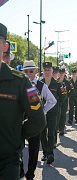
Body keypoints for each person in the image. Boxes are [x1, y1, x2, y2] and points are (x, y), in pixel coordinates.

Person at [0, 23, 46, 179]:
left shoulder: (20, 82)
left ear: (5, 46)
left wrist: (17, 136)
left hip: (6, 162)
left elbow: (38, 120)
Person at [20, 60, 57, 180]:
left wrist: (42, 112)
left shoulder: (41, 86)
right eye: (26, 71)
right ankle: (20, 169)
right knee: (18, 147)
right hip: (20, 121)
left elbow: (52, 101)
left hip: (35, 122)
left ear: (35, 72)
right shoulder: (19, 85)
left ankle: (30, 173)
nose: (29, 73)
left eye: (31, 71)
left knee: (34, 149)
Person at [40, 62, 66, 164]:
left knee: (51, 133)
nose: (47, 72)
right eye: (45, 70)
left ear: (52, 71)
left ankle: (50, 154)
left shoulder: (58, 84)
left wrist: (57, 105)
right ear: (43, 71)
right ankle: (45, 153)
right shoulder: (39, 84)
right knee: (42, 134)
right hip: (42, 113)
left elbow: (63, 96)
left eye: (48, 70)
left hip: (53, 112)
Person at [58, 68, 74, 135]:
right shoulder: (56, 81)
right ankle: (58, 127)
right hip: (57, 100)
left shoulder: (68, 82)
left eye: (62, 73)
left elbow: (72, 89)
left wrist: (68, 95)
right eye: (60, 72)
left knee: (63, 115)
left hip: (64, 101)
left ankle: (61, 129)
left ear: (64, 73)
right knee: (57, 115)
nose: (61, 74)